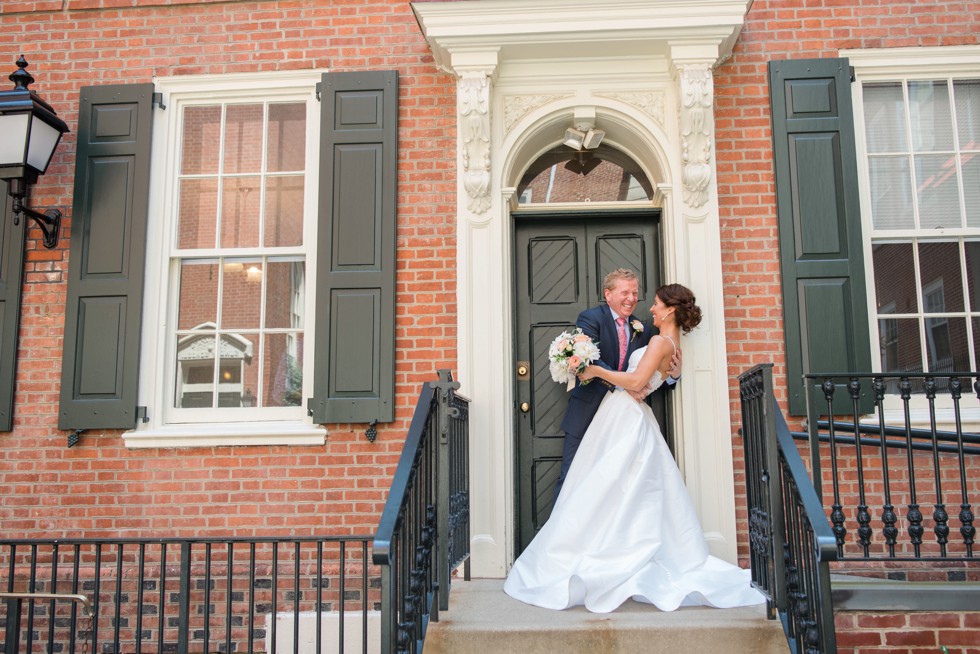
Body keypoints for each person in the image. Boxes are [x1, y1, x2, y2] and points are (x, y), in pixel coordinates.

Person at [504, 283, 765, 613]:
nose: (649, 308)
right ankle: (612, 553)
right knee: (615, 491)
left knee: (609, 488)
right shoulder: (667, 340)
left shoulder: (656, 339)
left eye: (655, 303)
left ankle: (603, 560)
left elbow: (639, 381)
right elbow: (652, 373)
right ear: (608, 293)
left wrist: (596, 370)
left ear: (670, 310)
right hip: (620, 414)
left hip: (626, 418)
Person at [554, 268, 680, 500]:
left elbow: (658, 367)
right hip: (587, 410)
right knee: (572, 477)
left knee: (618, 482)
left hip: (625, 419)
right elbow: (591, 360)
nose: (631, 299)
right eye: (625, 292)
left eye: (634, 293)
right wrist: (630, 385)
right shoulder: (590, 318)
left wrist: (673, 375)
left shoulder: (646, 329)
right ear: (608, 294)